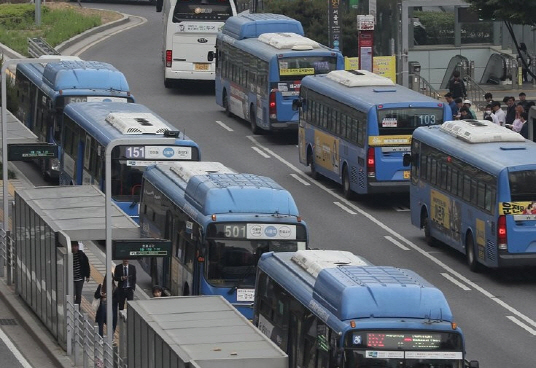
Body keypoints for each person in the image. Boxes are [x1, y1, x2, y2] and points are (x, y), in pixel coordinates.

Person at [72, 241, 90, 305]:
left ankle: (77, 309)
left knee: (78, 294)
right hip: (72, 279)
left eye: (75, 246)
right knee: (72, 294)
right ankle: (72, 307)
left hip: (80, 278)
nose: (74, 248)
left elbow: (86, 265)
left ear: (78, 247)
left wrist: (87, 276)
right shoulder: (69, 254)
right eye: (73, 246)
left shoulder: (82, 255)